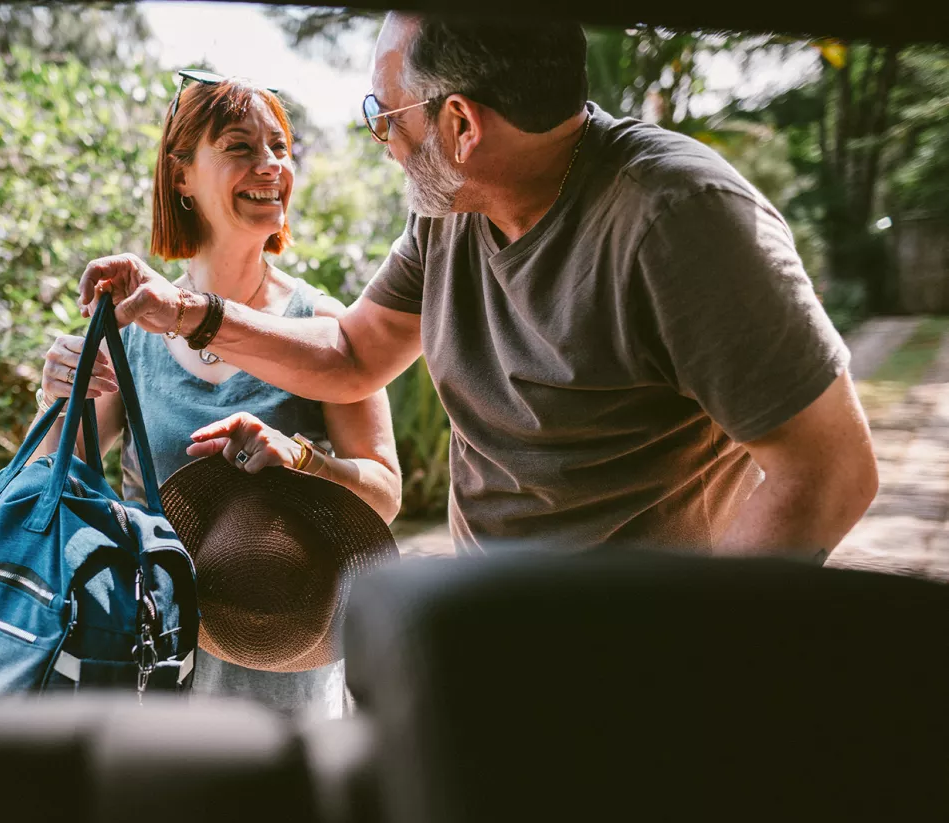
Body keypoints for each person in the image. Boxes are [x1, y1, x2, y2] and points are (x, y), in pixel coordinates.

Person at [75, 15, 879, 562]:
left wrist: (692, 643)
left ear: (461, 126)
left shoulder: (679, 218)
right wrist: (191, 313)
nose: (380, 138)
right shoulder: (450, 210)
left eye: (383, 114)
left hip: (637, 653)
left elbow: (830, 472)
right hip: (499, 630)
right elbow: (354, 353)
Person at [26, 72, 402, 719]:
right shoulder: (134, 333)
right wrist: (56, 395)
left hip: (289, 668)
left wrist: (302, 459)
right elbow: (51, 487)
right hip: (154, 663)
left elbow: (385, 492)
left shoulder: (322, 326)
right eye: (240, 146)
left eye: (280, 148)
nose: (272, 166)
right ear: (180, 175)